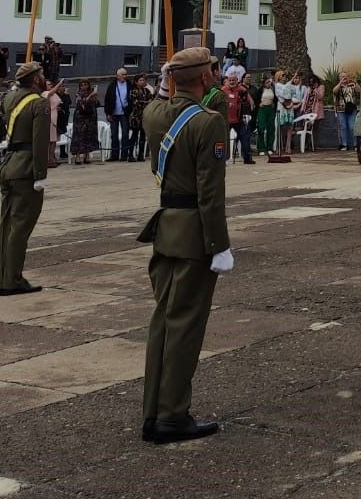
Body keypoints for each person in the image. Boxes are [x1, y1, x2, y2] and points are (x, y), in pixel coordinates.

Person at [138, 45, 232, 444]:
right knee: (185, 328)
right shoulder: (208, 122)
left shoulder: (153, 114)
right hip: (194, 233)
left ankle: (154, 411)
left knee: (163, 323)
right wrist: (219, 244)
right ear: (207, 77)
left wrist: (165, 84)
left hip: (165, 229)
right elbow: (210, 191)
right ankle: (173, 416)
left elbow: (159, 106)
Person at [0, 60, 49, 294]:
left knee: (7, 225)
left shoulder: (9, 98)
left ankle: (3, 277)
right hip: (26, 168)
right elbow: (40, 142)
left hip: (9, 165)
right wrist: (40, 174)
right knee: (20, 227)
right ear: (36, 79)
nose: (45, 77)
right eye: (42, 74)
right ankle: (13, 280)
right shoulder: (40, 104)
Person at [224, 70, 255, 164]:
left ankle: (247, 158)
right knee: (223, 139)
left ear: (237, 80)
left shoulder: (242, 89)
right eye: (230, 80)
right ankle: (222, 159)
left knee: (245, 137)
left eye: (234, 80)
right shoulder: (223, 90)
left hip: (239, 119)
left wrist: (250, 105)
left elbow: (250, 101)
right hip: (226, 120)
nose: (232, 82)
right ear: (227, 81)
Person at [104, 68, 132, 160]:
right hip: (114, 113)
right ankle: (114, 155)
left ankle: (124, 155)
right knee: (114, 134)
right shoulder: (112, 85)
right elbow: (107, 99)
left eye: (125, 74)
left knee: (125, 134)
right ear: (117, 75)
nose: (125, 76)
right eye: (123, 74)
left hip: (125, 113)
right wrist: (108, 113)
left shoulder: (129, 84)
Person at [72, 79, 100, 163]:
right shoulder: (78, 94)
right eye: (82, 84)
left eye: (86, 84)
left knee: (89, 135)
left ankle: (86, 156)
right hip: (80, 118)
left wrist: (94, 96)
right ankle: (77, 157)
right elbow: (81, 103)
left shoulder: (92, 94)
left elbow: (97, 104)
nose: (84, 86)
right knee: (79, 136)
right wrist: (91, 95)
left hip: (91, 118)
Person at [332, 71, 360, 152]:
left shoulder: (352, 85)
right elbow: (334, 91)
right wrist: (340, 83)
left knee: (352, 127)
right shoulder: (339, 86)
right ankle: (344, 144)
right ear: (339, 78)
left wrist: (355, 82)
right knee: (343, 127)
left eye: (345, 76)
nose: (344, 78)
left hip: (352, 109)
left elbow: (359, 91)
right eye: (342, 76)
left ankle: (355, 144)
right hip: (341, 109)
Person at [128, 74, 151, 161]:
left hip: (144, 116)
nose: (142, 82)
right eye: (140, 80)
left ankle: (140, 154)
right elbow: (135, 102)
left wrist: (145, 102)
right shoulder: (133, 91)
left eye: (144, 80)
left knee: (143, 135)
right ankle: (130, 154)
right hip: (135, 116)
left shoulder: (147, 91)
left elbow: (151, 101)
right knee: (134, 135)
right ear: (136, 82)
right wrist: (145, 102)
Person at [254, 73, 277, 157]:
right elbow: (256, 99)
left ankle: (269, 148)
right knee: (261, 128)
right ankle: (261, 148)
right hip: (262, 110)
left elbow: (276, 99)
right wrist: (258, 104)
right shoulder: (260, 90)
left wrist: (274, 104)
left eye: (269, 82)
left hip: (270, 109)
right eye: (267, 82)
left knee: (271, 128)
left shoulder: (273, 89)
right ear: (263, 83)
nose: (269, 84)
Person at [201, 59, 229, 125]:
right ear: (216, 72)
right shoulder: (219, 96)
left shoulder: (197, 90)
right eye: (220, 69)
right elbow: (222, 124)